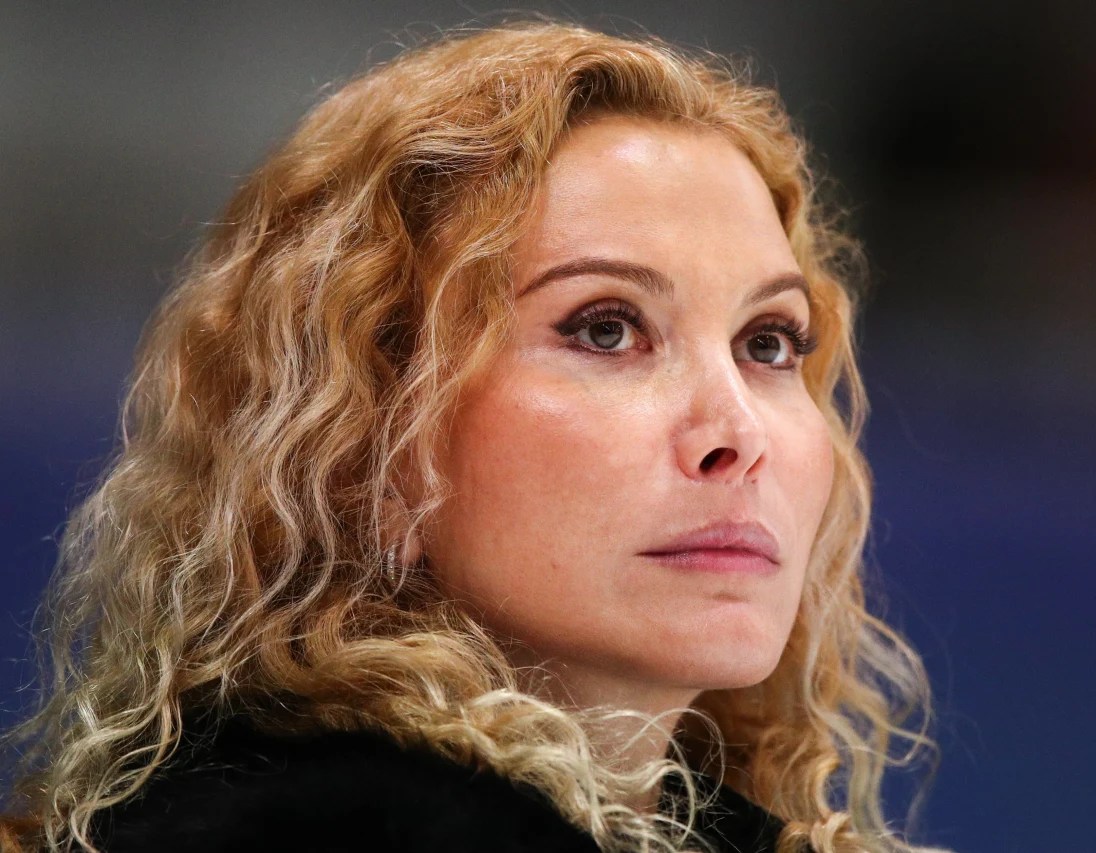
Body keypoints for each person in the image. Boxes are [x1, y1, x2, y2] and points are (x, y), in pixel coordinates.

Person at [1, 21, 942, 853]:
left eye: (769, 342)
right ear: (368, 443)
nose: (736, 431)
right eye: (605, 328)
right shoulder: (320, 827)